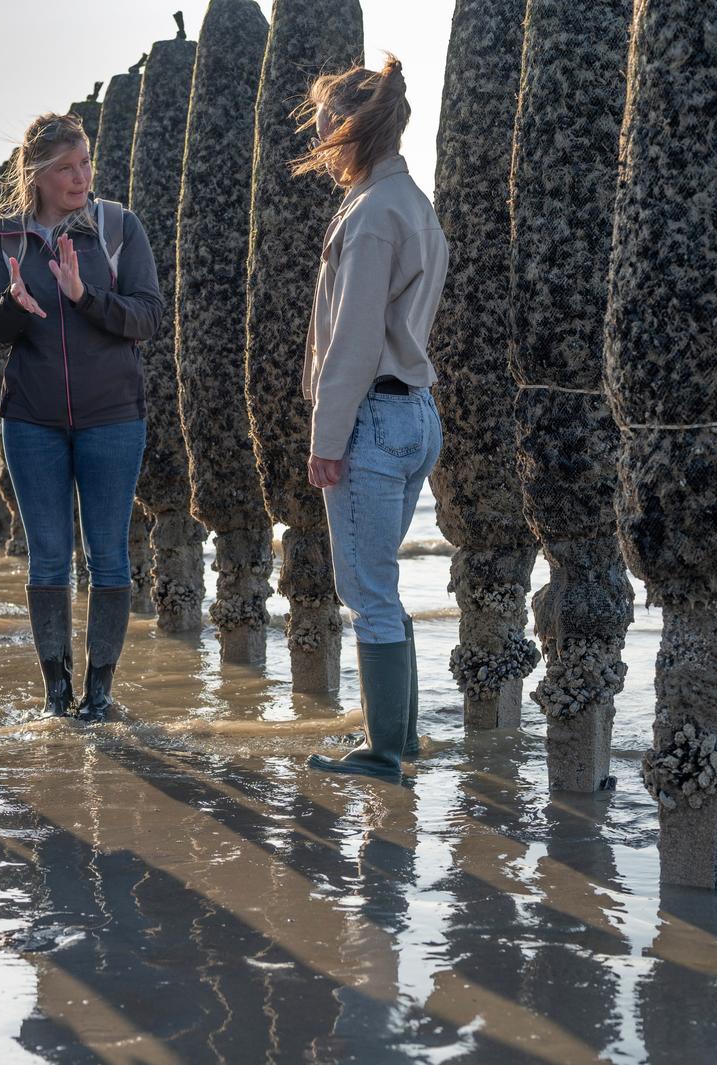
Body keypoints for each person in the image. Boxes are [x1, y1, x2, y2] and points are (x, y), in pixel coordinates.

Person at [0, 113, 163, 722]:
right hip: (31, 421)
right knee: (49, 555)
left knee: (107, 554)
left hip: (113, 417)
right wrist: (13, 308)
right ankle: (57, 692)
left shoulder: (116, 227)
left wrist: (87, 300)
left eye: (85, 163)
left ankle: (99, 693)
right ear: (38, 174)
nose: (80, 176)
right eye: (65, 168)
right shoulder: (6, 239)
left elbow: (149, 316)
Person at [298, 56, 447, 780]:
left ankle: (384, 750)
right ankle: (403, 739)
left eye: (324, 123)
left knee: (370, 594)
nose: (319, 136)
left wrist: (326, 441)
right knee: (383, 588)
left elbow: (354, 340)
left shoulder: (368, 215)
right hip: (416, 411)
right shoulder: (413, 201)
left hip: (375, 416)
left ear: (349, 129)